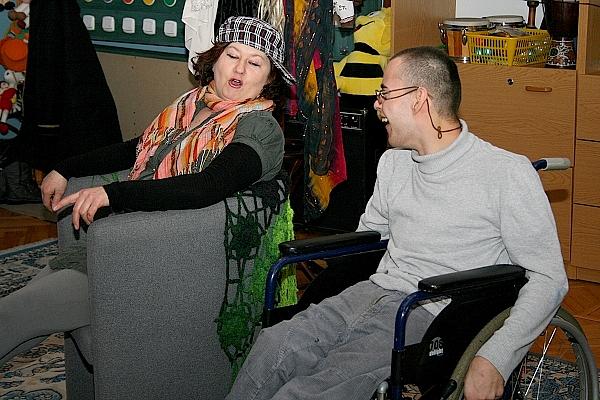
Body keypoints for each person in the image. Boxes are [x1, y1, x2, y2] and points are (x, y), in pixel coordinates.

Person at [227, 46, 568, 400]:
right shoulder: (394, 163)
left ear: (419, 98)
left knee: (315, 388)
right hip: (371, 294)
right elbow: (368, 239)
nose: (377, 105)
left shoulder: (506, 174)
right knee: (275, 347)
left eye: (385, 93)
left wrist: (496, 356)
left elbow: (549, 278)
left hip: (432, 314)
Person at [0, 16, 295, 366]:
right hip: (128, 237)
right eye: (232, 55)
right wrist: (66, 168)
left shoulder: (259, 127)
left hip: (169, 256)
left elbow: (207, 187)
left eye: (255, 63)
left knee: (18, 312)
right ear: (215, 60)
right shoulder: (192, 104)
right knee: (19, 312)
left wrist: (114, 194)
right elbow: (137, 149)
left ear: (269, 79)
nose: (240, 68)